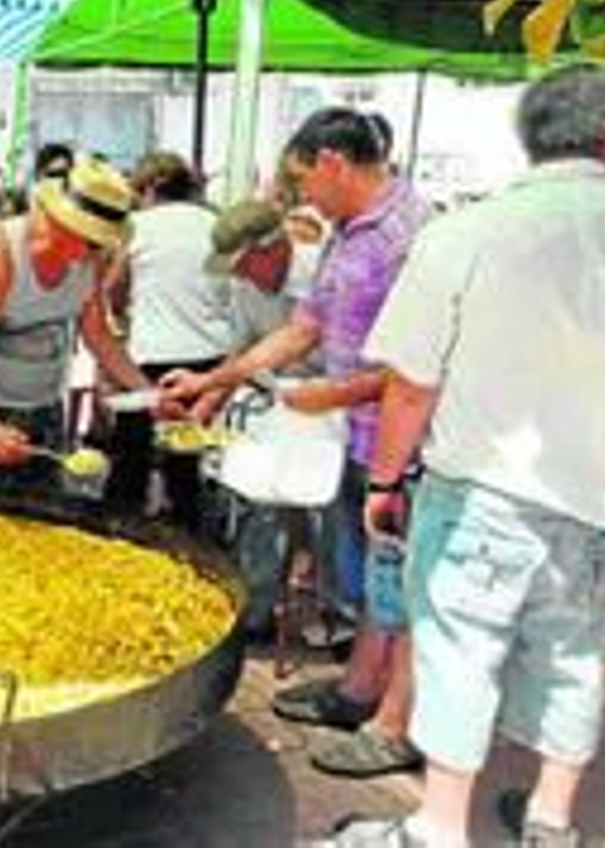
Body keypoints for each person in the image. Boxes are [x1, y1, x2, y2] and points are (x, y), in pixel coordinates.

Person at [329, 66, 605, 848]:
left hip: (477, 493)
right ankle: (551, 820)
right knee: (575, 659)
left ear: (527, 138)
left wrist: (383, 481)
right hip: (595, 497)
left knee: (458, 655)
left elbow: (410, 384)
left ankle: (439, 826)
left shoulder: (466, 233)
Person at [160, 107, 429, 778]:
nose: (301, 197)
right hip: (359, 437)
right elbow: (304, 331)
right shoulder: (349, 233)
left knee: (412, 588)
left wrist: (330, 396)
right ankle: (357, 692)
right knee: (378, 579)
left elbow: (425, 365)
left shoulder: (409, 234)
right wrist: (213, 379)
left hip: (410, 442)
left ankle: (396, 725)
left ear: (334, 163)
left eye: (304, 181)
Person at [0, 155, 151, 497]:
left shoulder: (90, 260)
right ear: (64, 222)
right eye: (93, 240)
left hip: (44, 405)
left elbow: (97, 334)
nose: (97, 251)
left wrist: (147, 393)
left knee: (43, 525)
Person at [203, 199, 326, 640]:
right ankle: (253, 609)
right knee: (256, 498)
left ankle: (340, 615)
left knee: (329, 516)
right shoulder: (245, 287)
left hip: (333, 403)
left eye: (242, 266)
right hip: (274, 401)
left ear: (271, 250)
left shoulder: (324, 273)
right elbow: (241, 351)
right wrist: (204, 403)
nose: (237, 278)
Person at [102, 151, 232, 532]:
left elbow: (111, 290)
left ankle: (121, 539)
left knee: (131, 461)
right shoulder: (216, 223)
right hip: (211, 360)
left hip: (151, 359)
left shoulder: (136, 227)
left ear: (150, 188)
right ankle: (191, 543)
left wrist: (124, 315)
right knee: (188, 465)